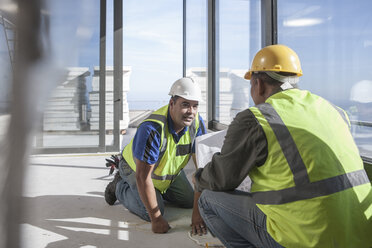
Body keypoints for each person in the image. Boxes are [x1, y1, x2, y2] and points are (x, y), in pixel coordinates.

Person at [193, 44, 372, 247]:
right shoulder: (334, 110)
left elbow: (222, 179)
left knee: (208, 199)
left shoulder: (256, 118)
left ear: (258, 84)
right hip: (360, 234)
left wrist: (198, 178)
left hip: (306, 239)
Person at [104, 77, 208, 234]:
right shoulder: (152, 129)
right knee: (151, 211)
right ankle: (119, 187)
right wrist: (156, 218)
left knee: (189, 201)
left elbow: (202, 172)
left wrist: (197, 214)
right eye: (185, 105)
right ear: (172, 104)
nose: (191, 112)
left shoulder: (197, 125)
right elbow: (142, 177)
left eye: (195, 106)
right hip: (134, 169)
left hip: (164, 174)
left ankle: (154, 193)